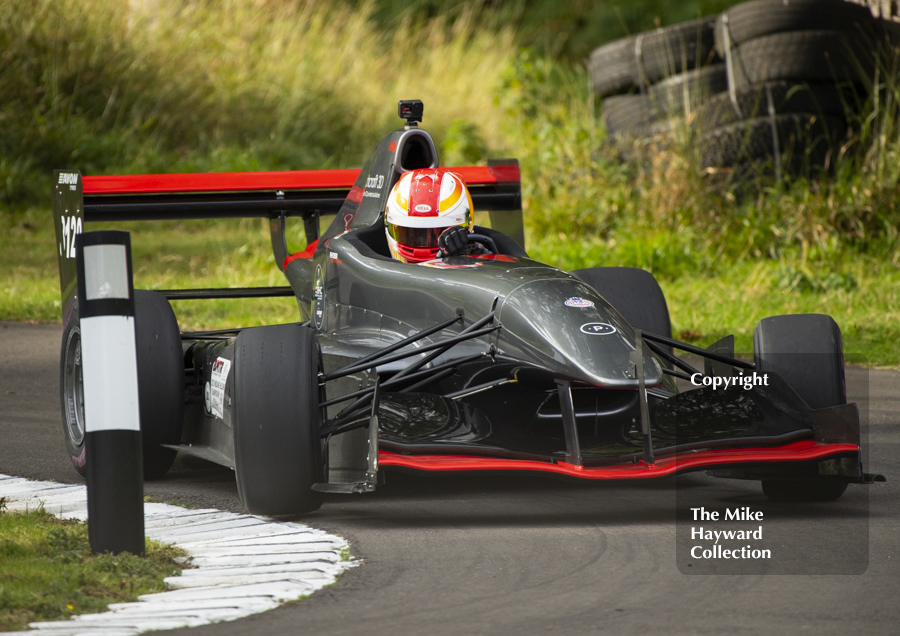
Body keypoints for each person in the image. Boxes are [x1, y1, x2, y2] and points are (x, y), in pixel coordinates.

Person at [384, 168, 479, 263]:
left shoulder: (483, 251)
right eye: (409, 233)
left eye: (437, 233)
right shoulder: (371, 260)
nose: (421, 248)